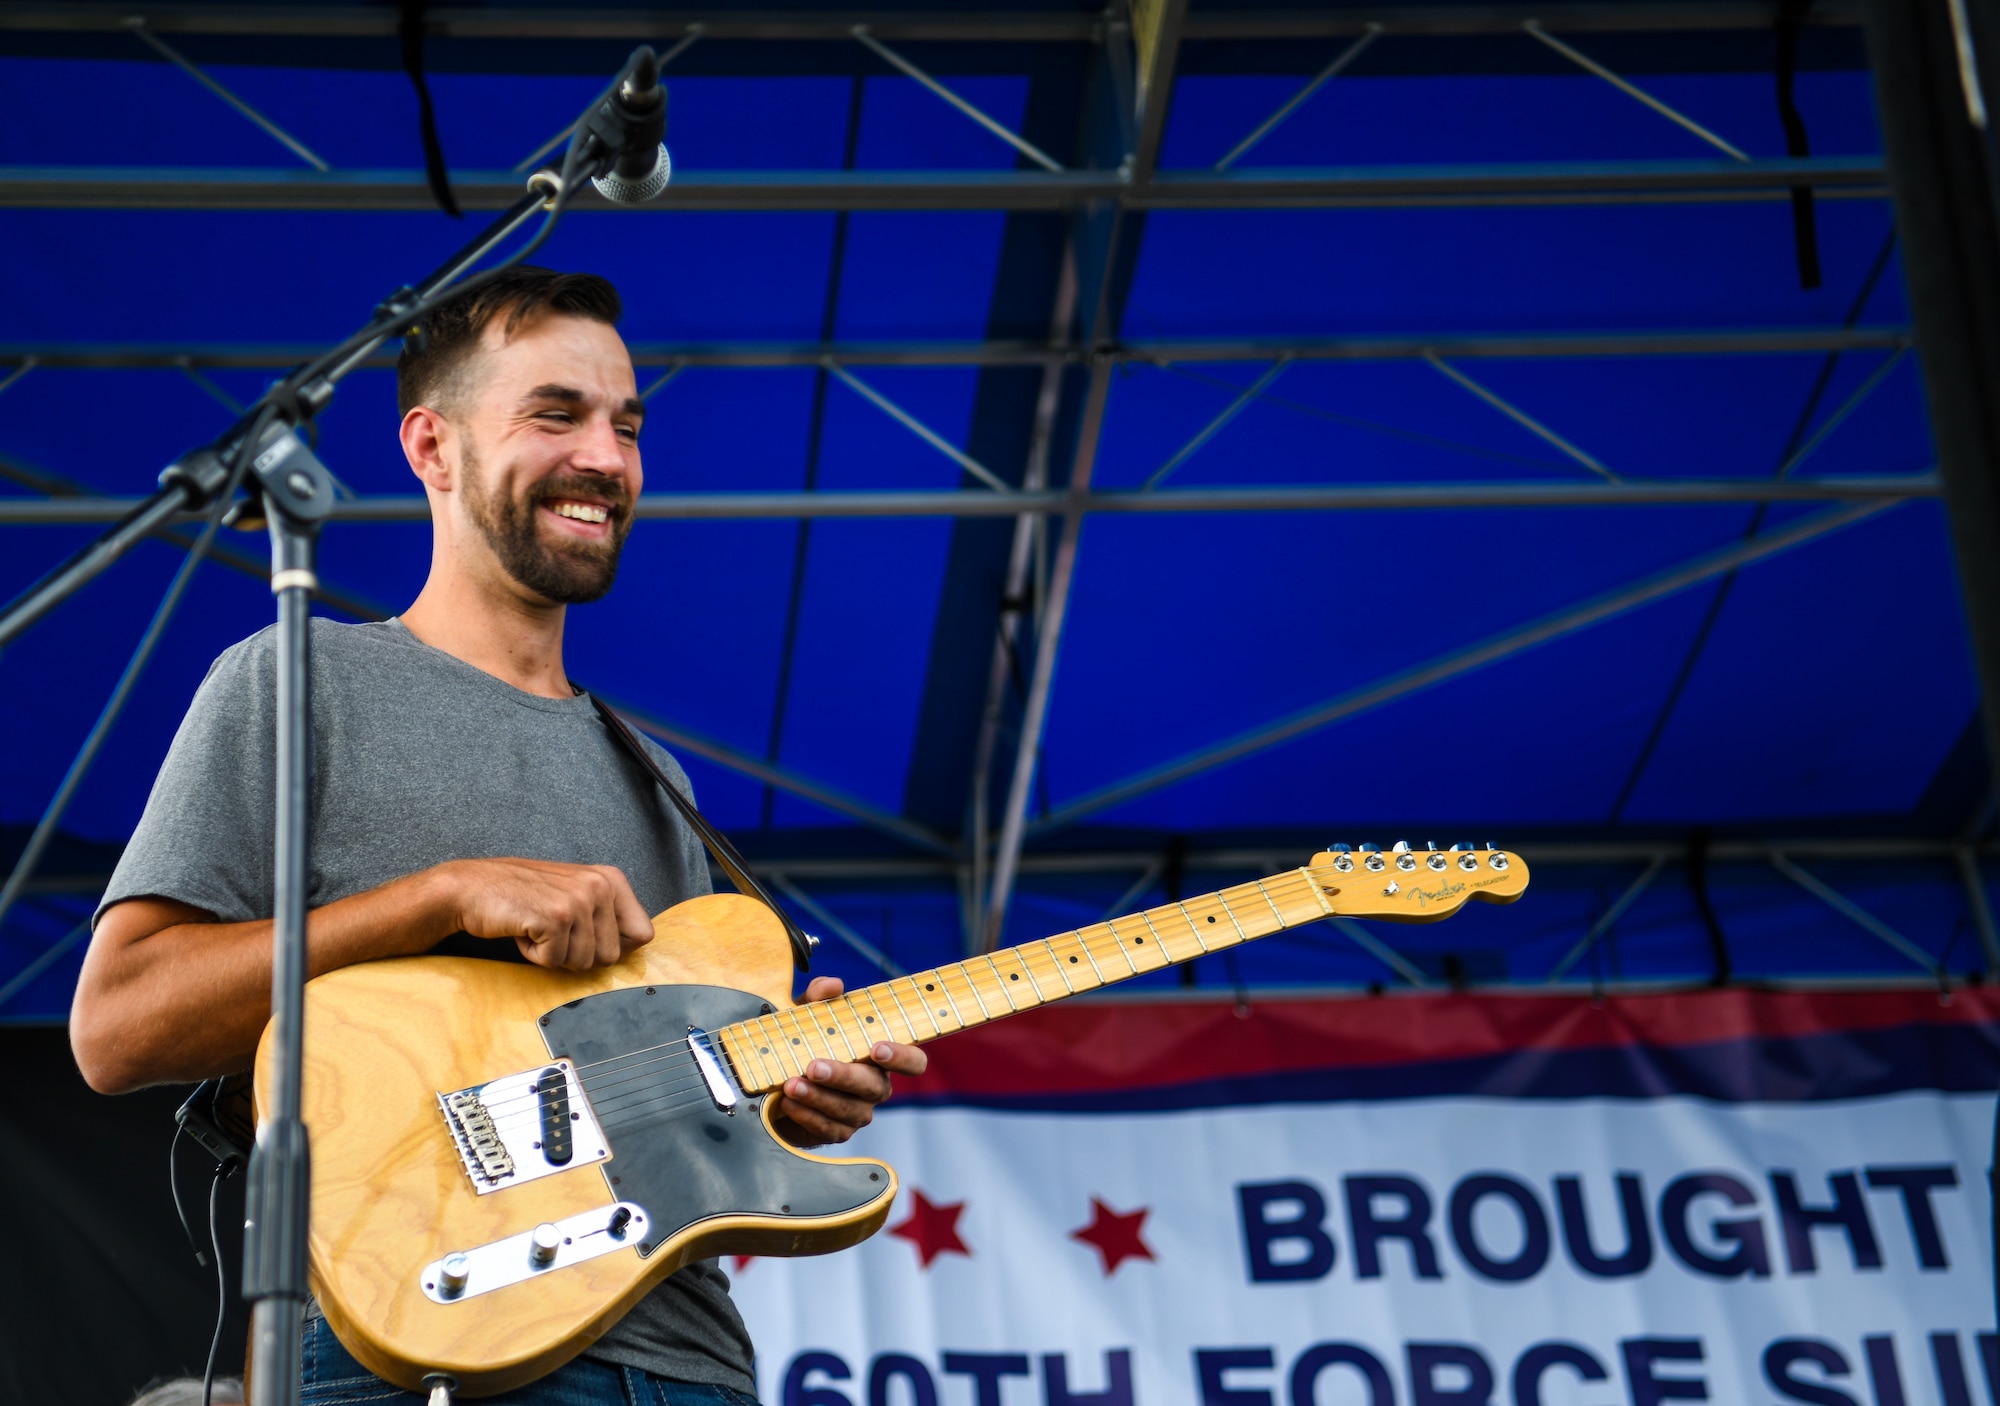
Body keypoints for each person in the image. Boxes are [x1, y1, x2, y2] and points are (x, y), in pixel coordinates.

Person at [69, 266, 925, 1405]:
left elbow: (655, 1114)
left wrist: (781, 1084)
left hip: (692, 1365)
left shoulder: (656, 778)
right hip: (423, 1347)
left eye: (626, 425)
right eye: (555, 413)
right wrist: (442, 894)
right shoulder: (296, 678)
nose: (608, 460)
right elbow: (117, 1024)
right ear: (431, 448)